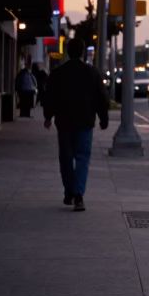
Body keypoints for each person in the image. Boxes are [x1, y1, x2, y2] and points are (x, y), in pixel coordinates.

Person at [41, 38, 109, 212]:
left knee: (66, 158)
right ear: (82, 52)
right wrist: (103, 117)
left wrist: (48, 116)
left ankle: (69, 191)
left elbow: (49, 96)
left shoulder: (58, 73)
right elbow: (101, 97)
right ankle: (78, 194)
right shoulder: (92, 72)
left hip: (64, 122)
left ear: (67, 52)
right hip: (85, 121)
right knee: (82, 158)